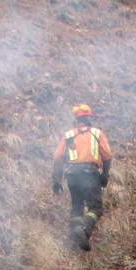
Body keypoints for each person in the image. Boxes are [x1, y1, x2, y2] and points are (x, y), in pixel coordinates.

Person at [52, 104, 113, 251]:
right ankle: (84, 231)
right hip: (90, 174)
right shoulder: (97, 133)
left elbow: (58, 158)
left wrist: (56, 180)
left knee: (77, 207)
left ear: (76, 120)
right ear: (89, 118)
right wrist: (105, 175)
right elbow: (108, 156)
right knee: (96, 208)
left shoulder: (68, 135)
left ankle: (75, 240)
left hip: (72, 175)